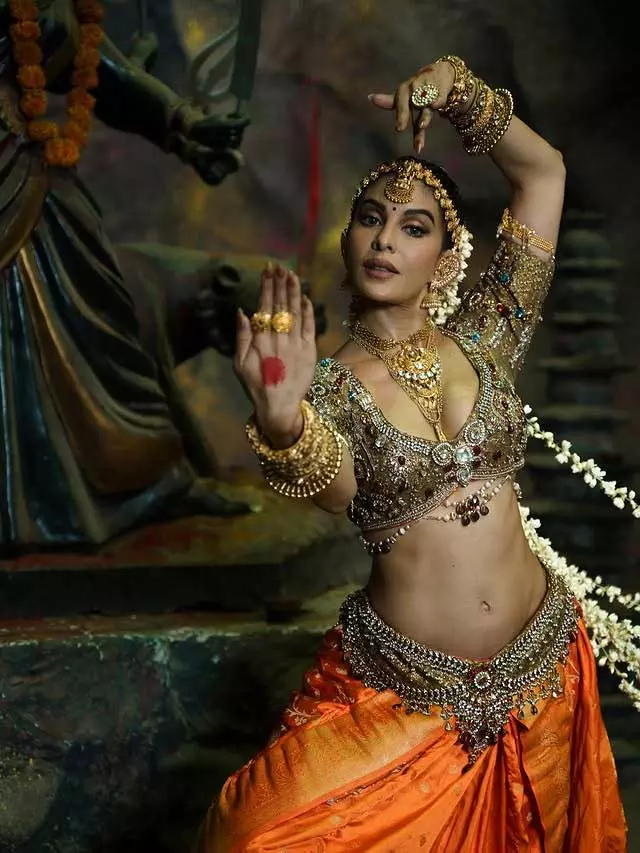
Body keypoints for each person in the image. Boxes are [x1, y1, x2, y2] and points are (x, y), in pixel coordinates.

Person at [197, 55, 631, 851]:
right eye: (370, 218)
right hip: (406, 700)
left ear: (448, 257)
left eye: (413, 226)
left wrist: (458, 93)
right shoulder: (329, 383)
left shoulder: (490, 336)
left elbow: (544, 174)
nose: (385, 239)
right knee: (251, 833)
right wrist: (285, 420)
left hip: (544, 675)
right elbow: (338, 488)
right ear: (347, 238)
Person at [0, 0, 248, 551]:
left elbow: (86, 63)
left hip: (27, 185)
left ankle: (146, 484)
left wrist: (181, 123)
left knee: (97, 318)